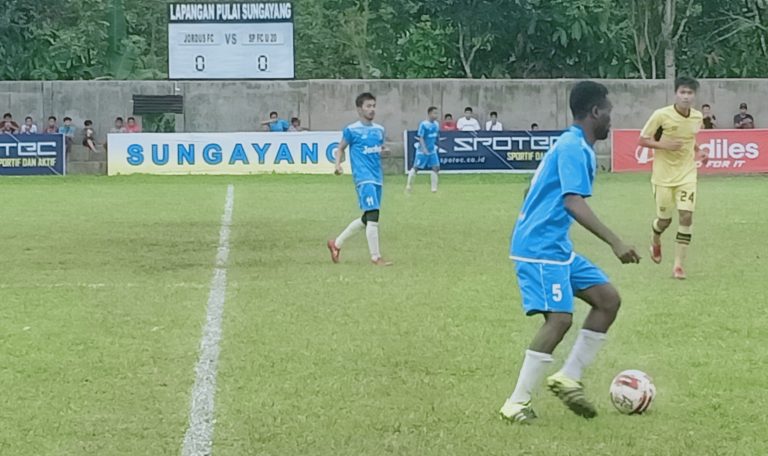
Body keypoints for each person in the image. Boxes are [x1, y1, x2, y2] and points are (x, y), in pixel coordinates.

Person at [500, 81, 640, 424]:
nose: (611, 119)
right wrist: (615, 242)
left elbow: (530, 189)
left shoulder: (571, 144)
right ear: (595, 112)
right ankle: (516, 403)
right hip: (540, 248)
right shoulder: (574, 148)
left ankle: (568, 376)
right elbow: (573, 201)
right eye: (608, 112)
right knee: (560, 319)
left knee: (608, 300)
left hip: (555, 245)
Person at [638, 76, 707, 280]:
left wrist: (699, 150)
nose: (686, 97)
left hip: (687, 174)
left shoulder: (697, 117)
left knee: (686, 216)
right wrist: (664, 145)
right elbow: (642, 140)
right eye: (682, 92)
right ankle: (655, 239)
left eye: (690, 93)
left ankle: (678, 265)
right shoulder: (661, 116)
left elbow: (690, 138)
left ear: (694, 96)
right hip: (663, 177)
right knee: (664, 221)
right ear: (676, 94)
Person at [327, 93, 392, 267]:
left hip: (377, 177)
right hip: (363, 178)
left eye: (373, 106)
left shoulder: (379, 130)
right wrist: (337, 165)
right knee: (373, 215)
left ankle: (336, 244)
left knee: (366, 218)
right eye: (368, 106)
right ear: (359, 109)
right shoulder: (352, 130)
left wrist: (384, 151)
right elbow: (340, 148)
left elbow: (379, 148)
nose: (372, 110)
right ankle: (375, 257)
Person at [406, 106, 440, 193]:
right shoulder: (424, 124)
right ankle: (409, 185)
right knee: (416, 167)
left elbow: (436, 136)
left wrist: (436, 145)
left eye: (437, 113)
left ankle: (434, 188)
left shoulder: (436, 124)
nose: (436, 115)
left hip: (432, 150)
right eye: (434, 113)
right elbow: (421, 137)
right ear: (429, 114)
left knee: (436, 167)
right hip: (422, 151)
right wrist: (424, 148)